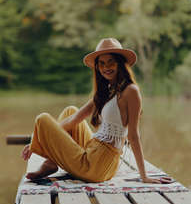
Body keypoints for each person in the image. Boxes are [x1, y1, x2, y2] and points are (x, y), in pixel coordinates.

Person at [21, 38, 173, 184]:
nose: (106, 67)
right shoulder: (106, 90)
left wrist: (144, 175)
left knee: (42, 119)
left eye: (110, 62)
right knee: (70, 111)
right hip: (95, 155)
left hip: (96, 167)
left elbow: (134, 135)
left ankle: (50, 162)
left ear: (120, 63)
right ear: (98, 68)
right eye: (101, 63)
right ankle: (51, 162)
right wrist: (38, 138)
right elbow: (73, 120)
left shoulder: (130, 91)